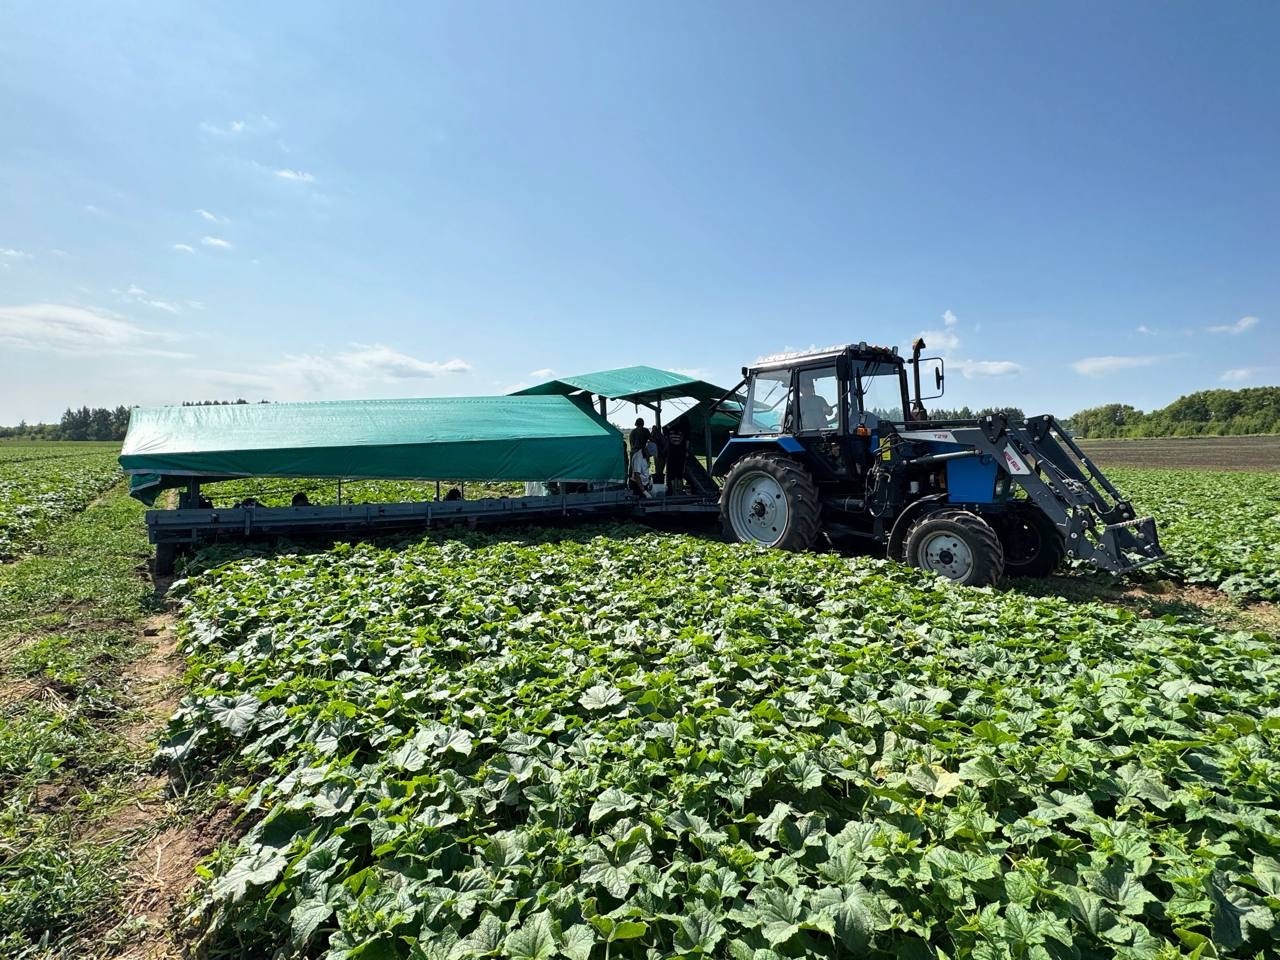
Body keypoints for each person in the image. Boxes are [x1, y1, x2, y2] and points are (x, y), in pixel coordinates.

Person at [664, 419, 688, 494]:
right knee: (680, 475)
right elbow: (686, 442)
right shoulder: (683, 431)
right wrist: (686, 452)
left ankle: (673, 491)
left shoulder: (669, 431)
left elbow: (667, 440)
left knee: (671, 475)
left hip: (671, 454)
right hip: (681, 454)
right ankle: (680, 491)